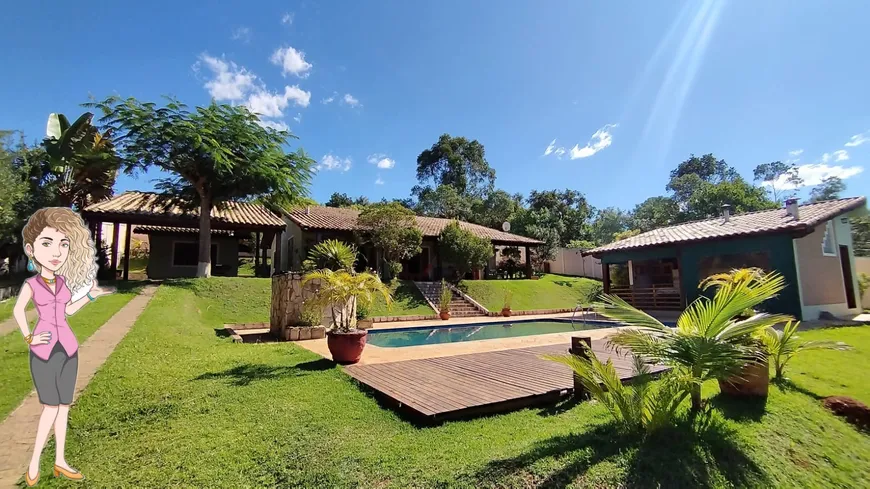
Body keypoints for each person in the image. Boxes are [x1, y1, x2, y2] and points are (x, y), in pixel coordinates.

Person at [12, 208, 114, 486]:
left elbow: (67, 311)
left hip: (68, 348)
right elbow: (19, 311)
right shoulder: (32, 284)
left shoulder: (62, 283)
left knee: (64, 407)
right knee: (50, 407)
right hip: (44, 350)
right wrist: (28, 337)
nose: (57, 251)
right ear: (32, 248)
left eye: (63, 244)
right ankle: (33, 462)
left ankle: (59, 461)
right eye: (48, 243)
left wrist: (90, 296)